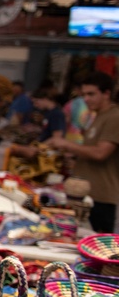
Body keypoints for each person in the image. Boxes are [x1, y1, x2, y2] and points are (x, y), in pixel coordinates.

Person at [49, 72, 119, 233]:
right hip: (85, 194)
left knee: (99, 245)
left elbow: (101, 153)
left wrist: (67, 144)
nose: (86, 99)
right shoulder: (99, 116)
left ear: (107, 93)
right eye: (84, 95)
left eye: (91, 94)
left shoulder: (114, 117)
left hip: (101, 196)